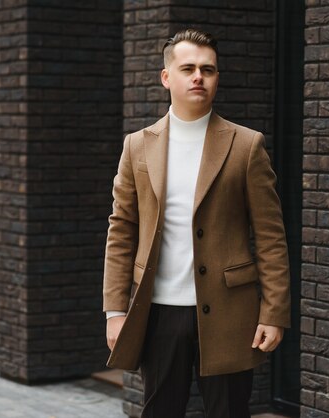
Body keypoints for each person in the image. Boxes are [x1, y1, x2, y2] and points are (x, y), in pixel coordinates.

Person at [102, 28, 291, 418]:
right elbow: (121, 231)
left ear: (217, 77)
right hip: (158, 312)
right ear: (166, 77)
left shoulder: (246, 145)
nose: (198, 77)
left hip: (230, 312)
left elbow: (271, 237)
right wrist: (115, 311)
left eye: (208, 69)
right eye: (188, 68)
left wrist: (273, 312)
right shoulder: (137, 145)